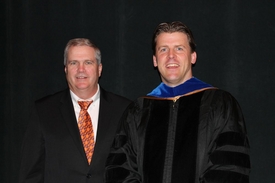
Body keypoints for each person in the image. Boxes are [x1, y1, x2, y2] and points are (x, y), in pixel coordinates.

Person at [105, 21, 250, 183]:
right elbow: (119, 169)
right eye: (163, 49)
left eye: (179, 48)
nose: (171, 56)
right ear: (155, 60)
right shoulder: (137, 111)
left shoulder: (220, 104)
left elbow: (229, 169)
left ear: (193, 57)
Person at [19, 38, 131, 183]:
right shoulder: (43, 111)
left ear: (99, 68)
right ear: (65, 69)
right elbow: (30, 174)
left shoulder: (124, 109)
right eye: (73, 63)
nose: (80, 69)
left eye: (88, 62)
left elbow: (133, 168)